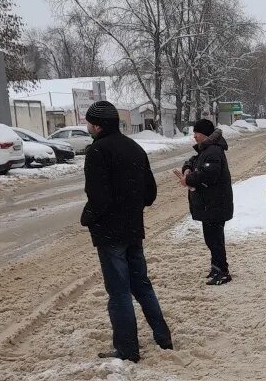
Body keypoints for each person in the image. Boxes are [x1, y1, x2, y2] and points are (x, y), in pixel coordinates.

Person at [80, 101, 172, 363]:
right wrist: (130, 206)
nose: (87, 127)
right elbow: (150, 194)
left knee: (119, 292)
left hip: (110, 235)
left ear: (97, 125)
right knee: (142, 286)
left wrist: (87, 218)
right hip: (133, 230)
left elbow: (99, 198)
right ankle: (163, 337)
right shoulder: (134, 148)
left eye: (89, 123)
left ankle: (127, 350)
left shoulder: (97, 151)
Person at [176, 119, 234, 285]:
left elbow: (209, 175)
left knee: (214, 240)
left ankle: (222, 272)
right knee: (211, 239)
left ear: (204, 134)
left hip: (215, 204)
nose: (194, 136)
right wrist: (187, 169)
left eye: (197, 133)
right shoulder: (205, 150)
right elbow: (193, 161)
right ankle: (216, 267)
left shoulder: (213, 151)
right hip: (210, 205)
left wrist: (189, 179)